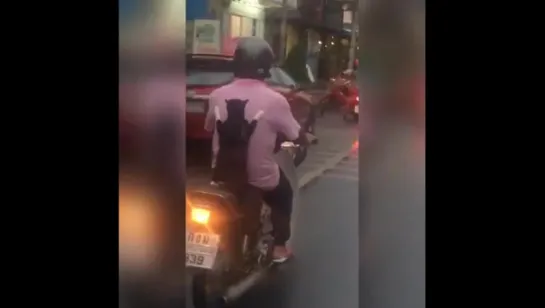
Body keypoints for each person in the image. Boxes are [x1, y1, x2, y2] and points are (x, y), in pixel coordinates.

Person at [204, 37, 303, 262]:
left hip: (222, 174)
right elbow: (295, 134)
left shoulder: (217, 95)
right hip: (259, 177)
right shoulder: (275, 100)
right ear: (266, 67)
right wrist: (306, 139)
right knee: (284, 194)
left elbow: (209, 126)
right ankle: (279, 247)